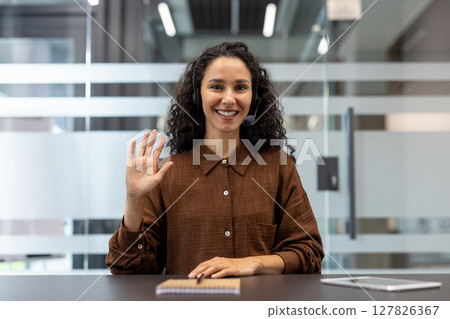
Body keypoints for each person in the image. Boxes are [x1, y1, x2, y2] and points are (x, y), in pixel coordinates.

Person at [106, 41, 324, 278]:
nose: (229, 99)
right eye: (217, 87)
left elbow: (309, 253)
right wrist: (134, 199)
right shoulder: (166, 173)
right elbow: (127, 268)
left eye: (240, 87)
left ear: (254, 98)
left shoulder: (278, 168)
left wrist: (256, 263)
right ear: (198, 96)